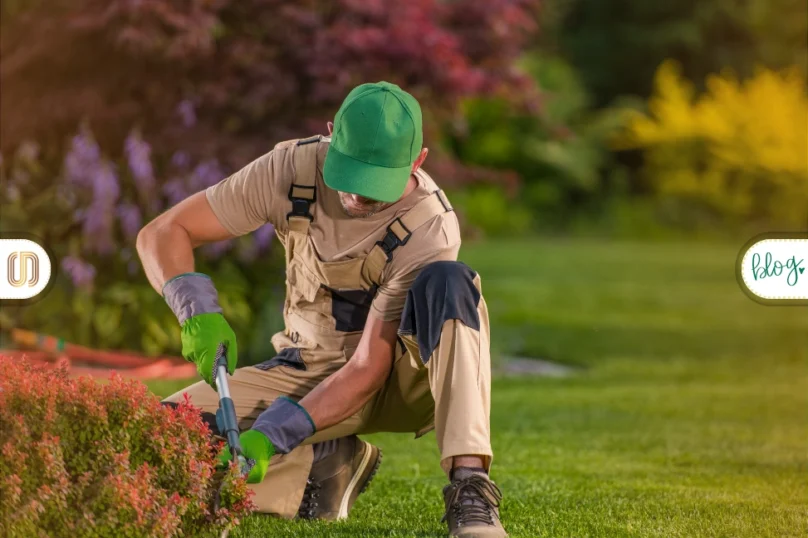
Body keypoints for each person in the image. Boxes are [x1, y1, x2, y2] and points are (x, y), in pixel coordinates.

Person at [136, 81, 506, 538]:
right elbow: (164, 231)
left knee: (451, 282)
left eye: (376, 183)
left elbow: (370, 368)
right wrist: (195, 310)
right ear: (331, 135)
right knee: (156, 439)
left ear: (418, 162)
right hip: (305, 366)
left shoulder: (430, 226)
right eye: (350, 175)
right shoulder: (291, 168)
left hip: (402, 380)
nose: (358, 196)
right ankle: (322, 468)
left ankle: (471, 490)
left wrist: (274, 432)